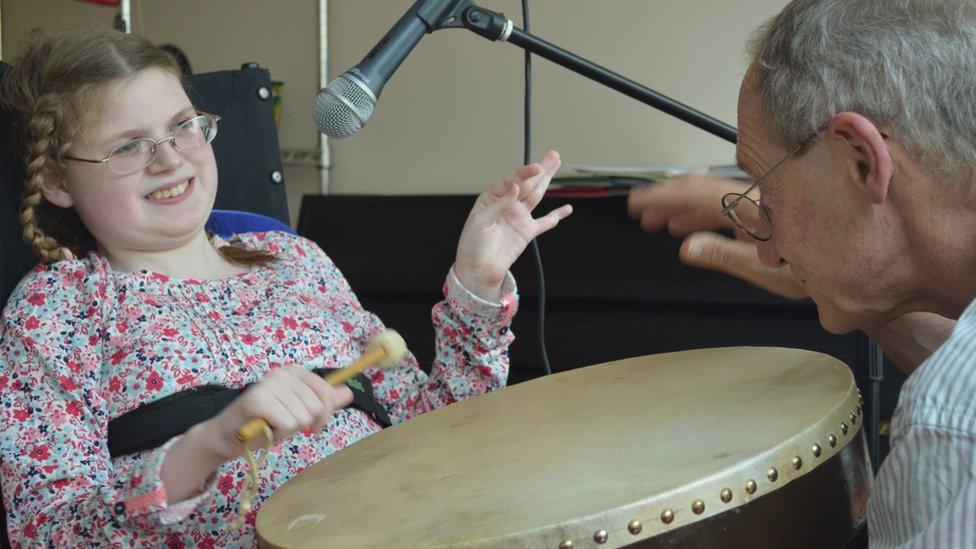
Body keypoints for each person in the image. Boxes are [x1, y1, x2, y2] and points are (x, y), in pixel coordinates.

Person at [0, 29, 572, 546]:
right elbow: (46, 529)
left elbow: (444, 435)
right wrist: (208, 445)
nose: (170, 158)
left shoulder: (293, 260)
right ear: (56, 179)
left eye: (183, 126)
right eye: (128, 146)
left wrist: (477, 279)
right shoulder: (58, 308)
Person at [630, 1, 976, 545]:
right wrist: (859, 285)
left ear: (861, 159)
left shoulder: (954, 420)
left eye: (766, 189)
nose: (770, 253)